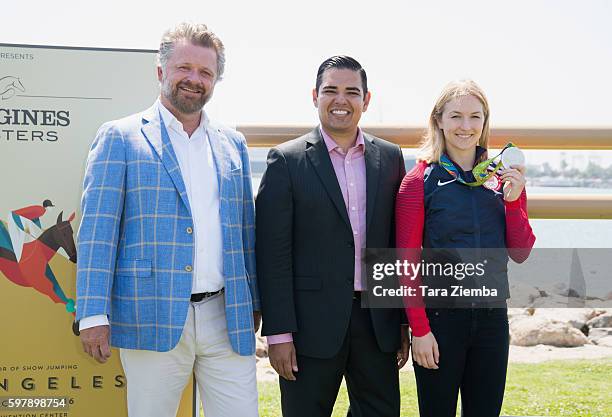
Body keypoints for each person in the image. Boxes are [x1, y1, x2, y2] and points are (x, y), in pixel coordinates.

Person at [76, 22, 260, 417]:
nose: (195, 79)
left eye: (206, 72)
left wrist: (254, 303)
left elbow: (246, 232)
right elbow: (97, 233)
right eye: (185, 68)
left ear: (215, 81)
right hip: (149, 313)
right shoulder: (120, 137)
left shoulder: (233, 145)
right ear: (161, 71)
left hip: (227, 317)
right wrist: (92, 314)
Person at [256, 55, 409, 417]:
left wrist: (401, 320)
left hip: (377, 324)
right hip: (309, 327)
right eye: (331, 90)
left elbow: (395, 244)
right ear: (315, 96)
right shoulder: (286, 161)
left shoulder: (390, 157)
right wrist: (278, 334)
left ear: (366, 100)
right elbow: (272, 253)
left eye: (352, 92)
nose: (341, 100)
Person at [396, 79, 536, 417]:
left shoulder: (501, 177)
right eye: (456, 116)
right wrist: (421, 330)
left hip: (492, 320)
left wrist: (514, 203)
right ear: (439, 120)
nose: (466, 126)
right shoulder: (418, 181)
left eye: (475, 117)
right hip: (440, 322)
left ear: (485, 122)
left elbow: (520, 251)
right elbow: (406, 264)